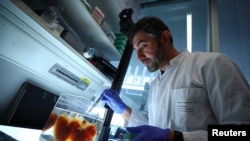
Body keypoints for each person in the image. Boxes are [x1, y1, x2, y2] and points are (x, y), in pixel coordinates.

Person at [101, 16, 250, 141]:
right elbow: (153, 127)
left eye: (144, 46)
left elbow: (241, 131)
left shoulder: (212, 64)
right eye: (136, 50)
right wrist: (122, 109)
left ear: (165, 37)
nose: (139, 57)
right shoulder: (155, 86)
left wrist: (176, 137)